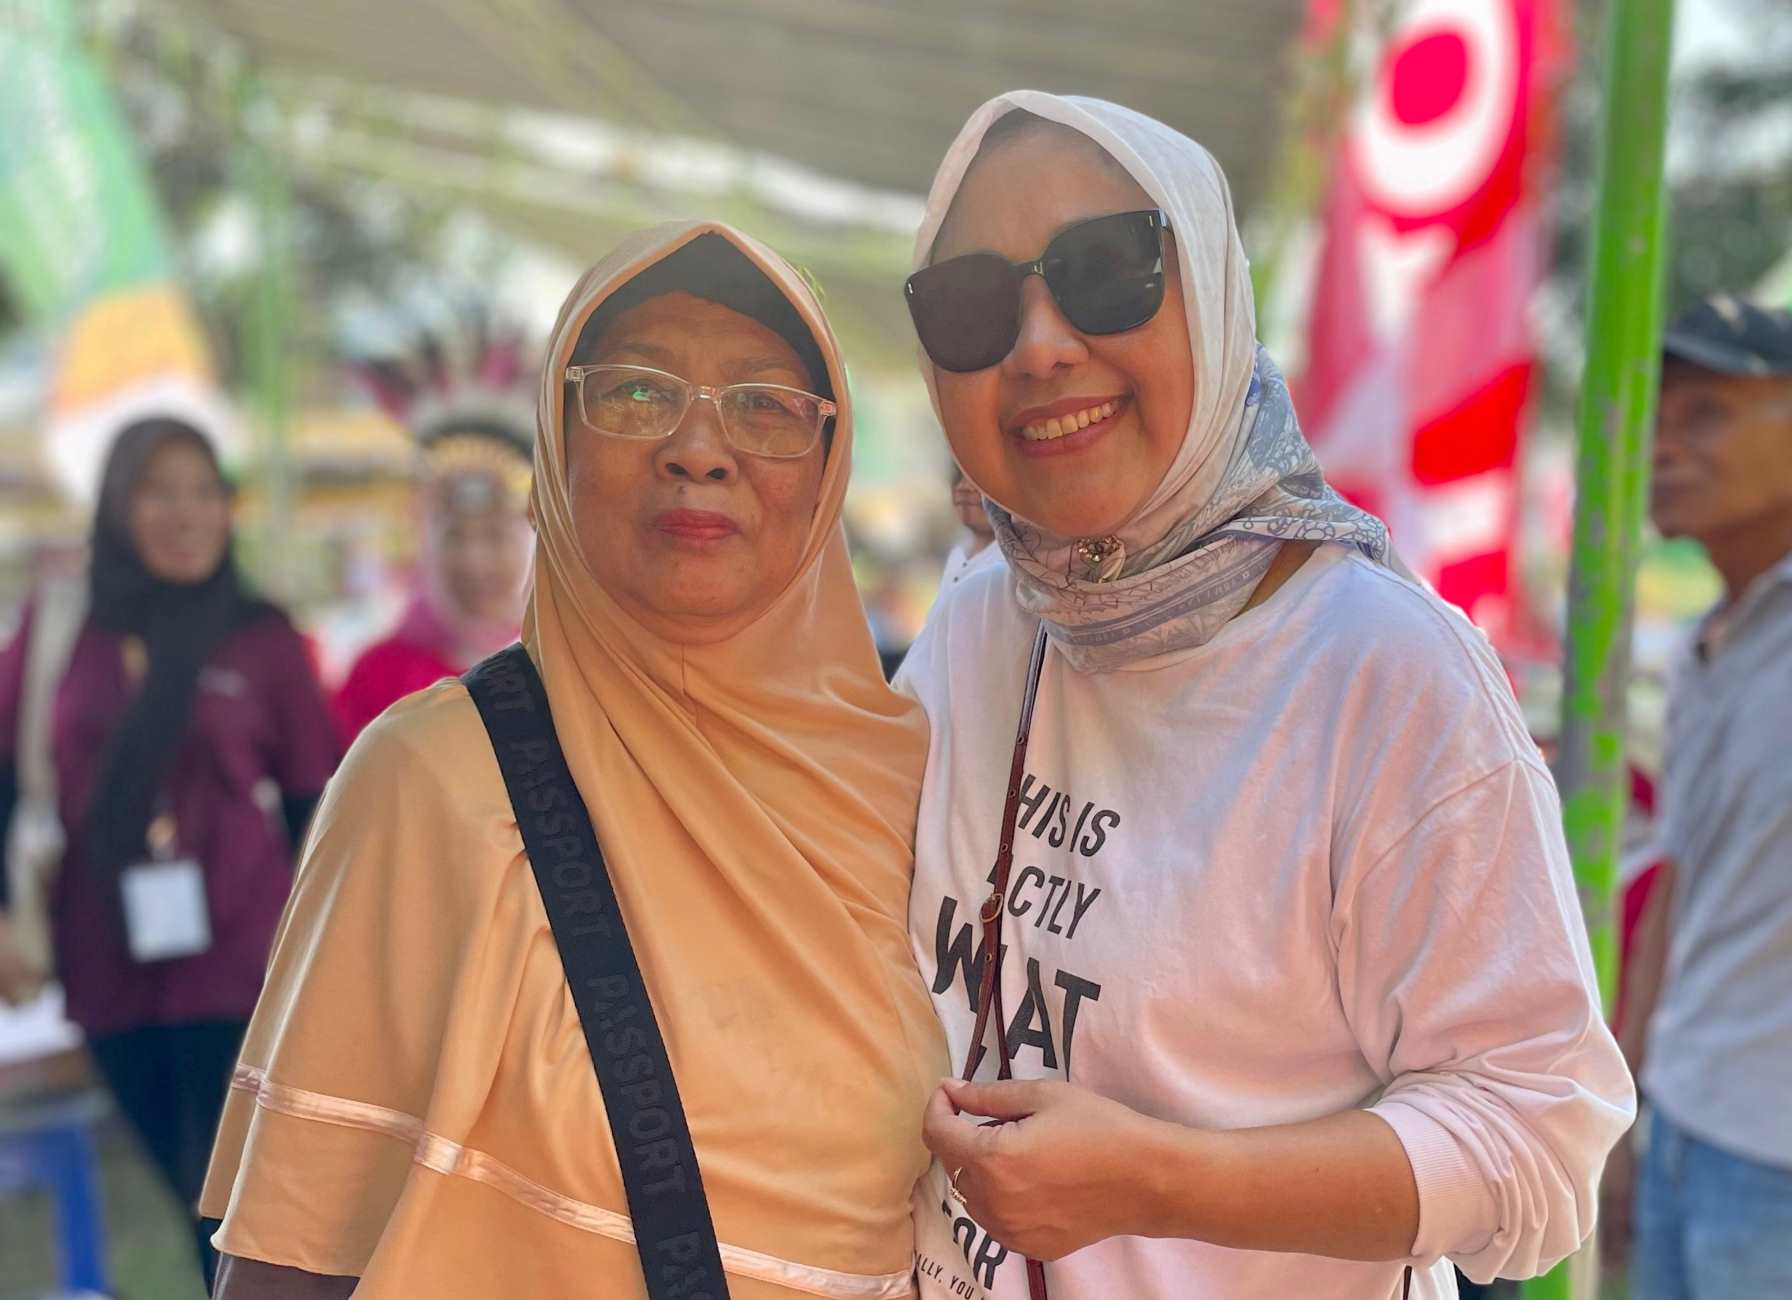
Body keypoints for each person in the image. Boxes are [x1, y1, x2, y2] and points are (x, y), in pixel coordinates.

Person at [896, 93, 1634, 1300]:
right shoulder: (981, 617)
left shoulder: (1386, 676)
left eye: (1106, 272)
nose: (1038, 346)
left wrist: (1161, 1180)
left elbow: (1539, 1144)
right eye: (971, 302)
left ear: (1213, 292)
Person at [203, 223, 947, 1299]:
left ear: (827, 470)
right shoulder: (433, 782)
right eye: (637, 393)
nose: (700, 448)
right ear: (556, 449)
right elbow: (287, 1260)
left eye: (765, 404)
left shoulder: (907, 784)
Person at [0, 416, 341, 1284]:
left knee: (231, 1204)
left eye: (204, 492)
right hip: (105, 961)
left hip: (244, 965)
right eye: (158, 492)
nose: (186, 514)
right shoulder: (61, 627)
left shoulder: (260, 636)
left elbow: (321, 808)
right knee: (186, 1193)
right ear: (117, 506)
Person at [1600, 294, 1792, 1300]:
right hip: (1687, 1116)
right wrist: (1624, 1105)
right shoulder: (1704, 647)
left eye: (1707, 413)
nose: (1663, 447)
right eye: (1656, 418)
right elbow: (1680, 885)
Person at [333, 327, 535, 743]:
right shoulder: (378, 676)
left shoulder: (574, 673)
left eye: (496, 536)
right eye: (454, 537)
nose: (475, 561)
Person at [940, 466, 1000, 590]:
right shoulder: (957, 554)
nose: (963, 487)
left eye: (980, 477)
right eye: (959, 475)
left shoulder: (1016, 569)